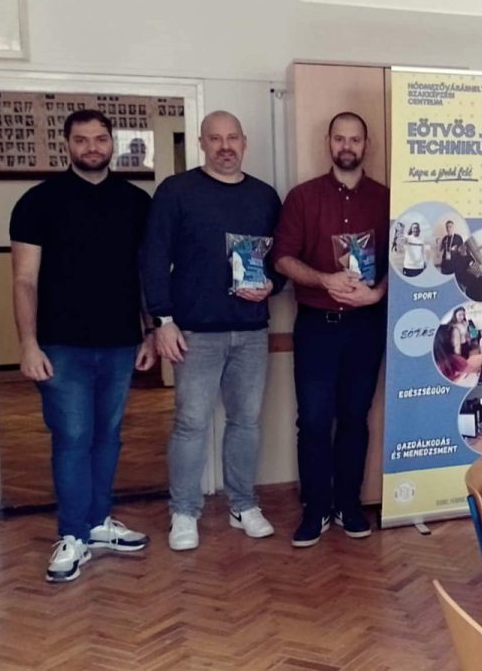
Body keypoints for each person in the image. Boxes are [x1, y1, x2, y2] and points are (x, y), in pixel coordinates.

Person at [10, 109, 155, 583]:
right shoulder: (38, 202)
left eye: (100, 139)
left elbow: (144, 275)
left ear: (112, 143)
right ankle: (72, 534)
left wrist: (150, 331)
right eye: (81, 139)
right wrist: (28, 344)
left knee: (107, 436)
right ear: (66, 145)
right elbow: (24, 280)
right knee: (73, 438)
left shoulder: (136, 202)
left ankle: (97, 524)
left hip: (120, 343)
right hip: (61, 345)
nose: (92, 147)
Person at [140, 110, 283, 551]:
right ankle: (184, 512)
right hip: (194, 333)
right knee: (190, 424)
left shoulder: (264, 196)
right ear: (202, 143)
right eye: (215, 138)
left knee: (246, 422)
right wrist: (162, 321)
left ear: (244, 142)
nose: (225, 146)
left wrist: (273, 285)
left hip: (251, 331)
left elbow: (281, 259)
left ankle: (243, 505)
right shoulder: (176, 191)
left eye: (232, 137)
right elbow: (153, 256)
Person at [271, 111, 389, 548]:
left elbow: (404, 262)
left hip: (366, 326)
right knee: (314, 421)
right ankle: (316, 509)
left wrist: (376, 294)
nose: (347, 146)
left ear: (366, 145)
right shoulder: (303, 197)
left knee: (356, 419)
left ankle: (348, 506)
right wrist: (325, 279)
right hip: (317, 326)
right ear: (328, 143)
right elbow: (282, 258)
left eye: (355, 139)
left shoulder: (386, 200)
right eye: (340, 139)